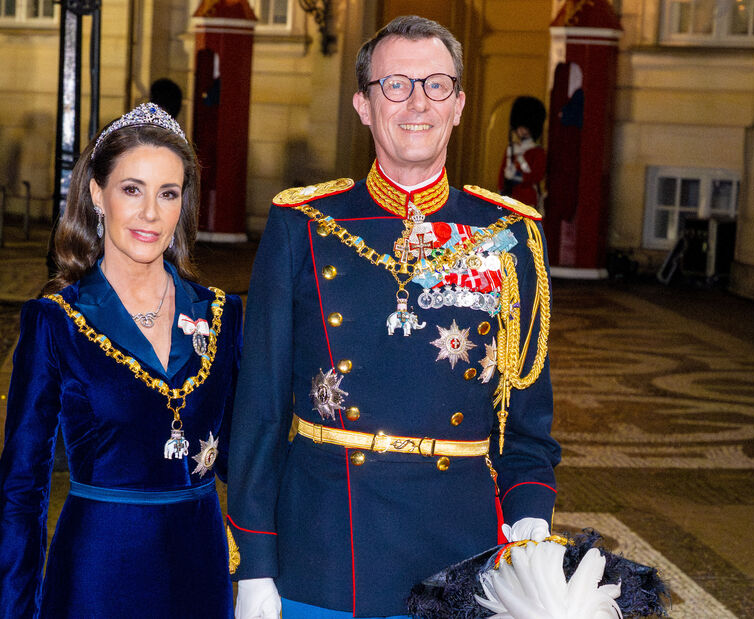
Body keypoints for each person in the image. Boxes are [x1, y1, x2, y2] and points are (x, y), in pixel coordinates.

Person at [227, 15, 560, 619]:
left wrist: (530, 519)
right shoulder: (304, 225)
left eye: (436, 85)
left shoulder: (508, 236)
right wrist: (254, 564)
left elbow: (526, 419)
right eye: (395, 85)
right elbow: (261, 410)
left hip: (460, 553)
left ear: (458, 105)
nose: (417, 103)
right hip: (325, 552)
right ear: (363, 104)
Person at [0, 103, 242, 618]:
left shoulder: (221, 315)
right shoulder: (57, 322)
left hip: (200, 577)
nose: (151, 213)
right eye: (132, 189)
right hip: (97, 578)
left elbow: (246, 462)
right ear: (95, 194)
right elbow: (22, 492)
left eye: (168, 193)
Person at [497, 95, 547, 211]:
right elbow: (502, 172)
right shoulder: (512, 148)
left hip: (528, 197)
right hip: (510, 195)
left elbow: (537, 175)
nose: (523, 130)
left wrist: (518, 176)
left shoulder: (538, 152)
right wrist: (501, 188)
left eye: (527, 128)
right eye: (521, 127)